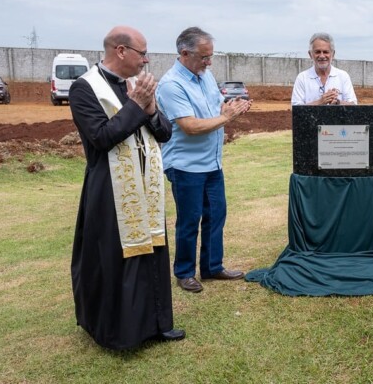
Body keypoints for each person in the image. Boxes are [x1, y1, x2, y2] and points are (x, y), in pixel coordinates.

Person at [69, 25, 184, 350]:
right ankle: (120, 332)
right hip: (109, 189)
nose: (146, 60)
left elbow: (163, 134)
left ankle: (158, 324)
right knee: (115, 258)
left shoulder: (137, 85)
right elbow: (102, 137)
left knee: (153, 252)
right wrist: (136, 105)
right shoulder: (84, 89)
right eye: (142, 53)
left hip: (144, 186)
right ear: (120, 51)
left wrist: (148, 108)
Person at [156, 27, 251, 293]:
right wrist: (227, 118)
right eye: (204, 57)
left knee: (216, 215)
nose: (209, 62)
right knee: (189, 219)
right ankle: (184, 272)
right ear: (185, 53)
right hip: (186, 166)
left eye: (211, 56)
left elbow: (216, 107)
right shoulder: (171, 85)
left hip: (212, 163)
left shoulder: (205, 76)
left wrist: (231, 108)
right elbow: (190, 126)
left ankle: (212, 266)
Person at [291, 32, 358, 105]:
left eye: (326, 52)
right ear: (310, 54)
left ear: (333, 54)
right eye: (317, 52)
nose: (322, 56)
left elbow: (353, 105)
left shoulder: (343, 76)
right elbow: (296, 109)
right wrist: (320, 102)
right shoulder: (302, 78)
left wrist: (337, 102)